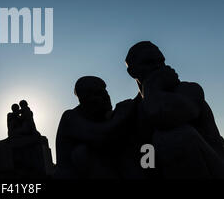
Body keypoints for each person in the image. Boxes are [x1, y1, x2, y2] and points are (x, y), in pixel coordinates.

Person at [125, 41, 224, 178]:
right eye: (149, 62)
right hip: (159, 170)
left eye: (161, 61)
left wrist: (151, 86)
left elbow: (162, 115)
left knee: (173, 136)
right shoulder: (131, 108)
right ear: (132, 72)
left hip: (214, 168)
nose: (158, 66)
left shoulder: (188, 90)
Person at [55, 76, 136, 178]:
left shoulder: (103, 117)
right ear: (84, 98)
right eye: (99, 94)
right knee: (82, 152)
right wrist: (121, 115)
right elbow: (100, 135)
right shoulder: (70, 117)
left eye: (106, 93)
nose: (107, 98)